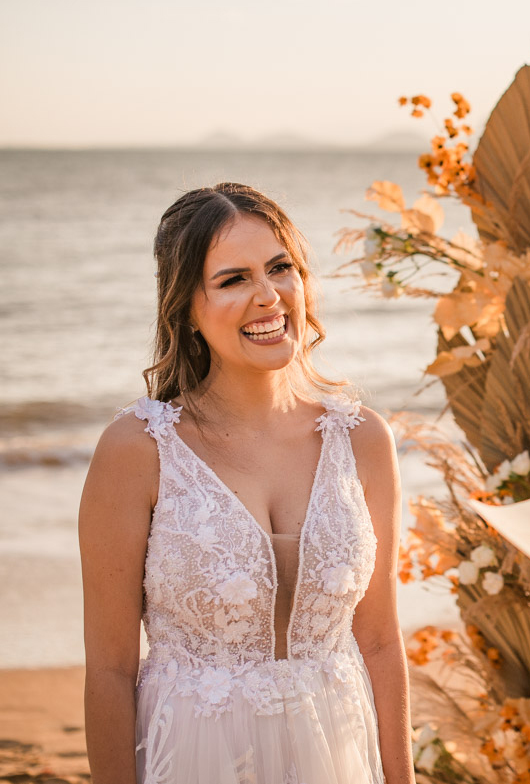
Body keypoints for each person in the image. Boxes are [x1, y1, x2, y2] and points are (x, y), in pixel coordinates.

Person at [78, 183, 415, 784]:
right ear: (185, 308)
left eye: (281, 268)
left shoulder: (362, 440)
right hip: (191, 759)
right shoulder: (138, 450)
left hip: (334, 758)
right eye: (233, 280)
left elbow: (382, 642)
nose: (268, 296)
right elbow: (108, 668)